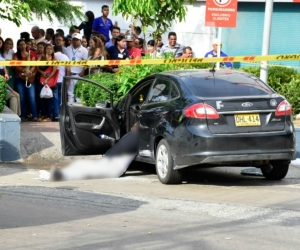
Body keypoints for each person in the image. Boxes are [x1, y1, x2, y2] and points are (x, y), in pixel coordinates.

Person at [48, 123, 139, 182]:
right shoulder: (132, 135)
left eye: (136, 125)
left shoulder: (137, 136)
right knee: (81, 164)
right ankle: (62, 174)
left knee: (86, 169)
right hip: (108, 163)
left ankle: (61, 176)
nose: (133, 125)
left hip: (113, 167)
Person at [13, 39, 38, 122]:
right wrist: (24, 70)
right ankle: (23, 116)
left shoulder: (32, 54)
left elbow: (34, 65)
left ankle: (35, 115)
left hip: (30, 78)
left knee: (32, 97)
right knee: (22, 97)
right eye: (21, 44)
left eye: (24, 44)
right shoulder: (16, 55)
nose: (23, 46)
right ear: (18, 46)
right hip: (20, 78)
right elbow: (16, 66)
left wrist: (30, 71)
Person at [65, 33, 88, 102]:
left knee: (79, 93)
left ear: (80, 41)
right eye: (74, 39)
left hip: (79, 75)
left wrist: (83, 72)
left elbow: (85, 63)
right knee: (70, 93)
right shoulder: (67, 49)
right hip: (70, 74)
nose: (75, 41)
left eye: (77, 40)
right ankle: (70, 110)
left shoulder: (84, 50)